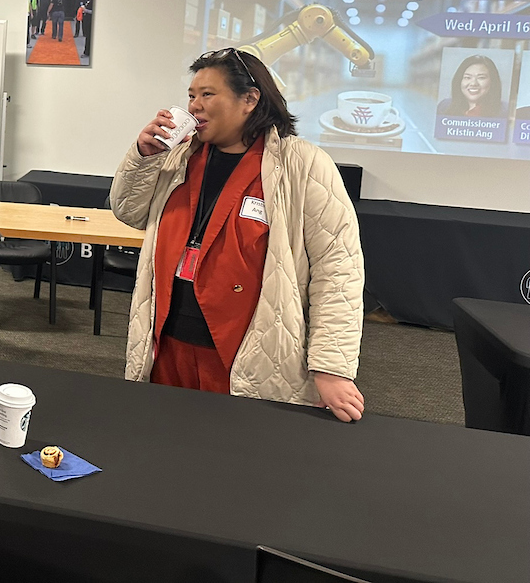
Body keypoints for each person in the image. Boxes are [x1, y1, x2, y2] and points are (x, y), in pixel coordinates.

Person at [110, 48, 365, 422]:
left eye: (207, 94)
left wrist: (331, 366)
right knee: (161, 442)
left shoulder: (302, 164)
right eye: (191, 95)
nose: (194, 105)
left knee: (236, 457)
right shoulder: (178, 155)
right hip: (167, 341)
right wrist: (143, 155)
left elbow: (338, 270)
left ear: (250, 99)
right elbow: (128, 211)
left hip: (247, 350)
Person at [437, 54, 505, 118]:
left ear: (492, 81)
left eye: (481, 77)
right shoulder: (444, 106)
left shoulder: (504, 112)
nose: (473, 83)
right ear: (459, 81)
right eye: (467, 77)